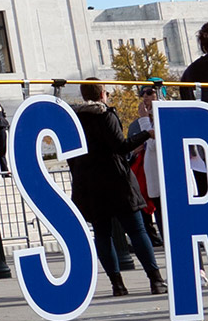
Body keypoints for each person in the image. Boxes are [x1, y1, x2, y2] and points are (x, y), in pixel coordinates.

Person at [70, 83, 164, 297]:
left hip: (90, 184)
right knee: (137, 231)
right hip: (116, 181)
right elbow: (120, 146)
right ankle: (156, 280)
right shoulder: (105, 115)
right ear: (102, 94)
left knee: (102, 235)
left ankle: (117, 284)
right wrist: (146, 134)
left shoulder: (74, 119)